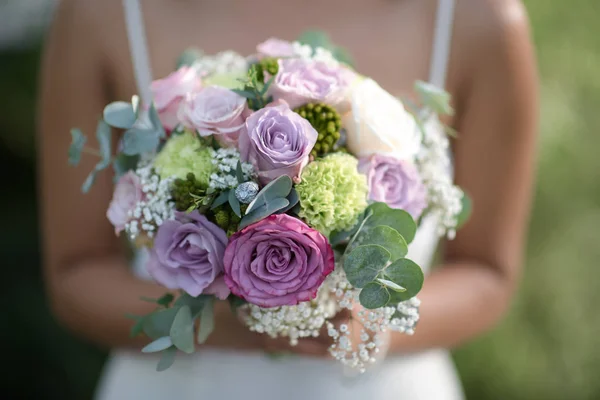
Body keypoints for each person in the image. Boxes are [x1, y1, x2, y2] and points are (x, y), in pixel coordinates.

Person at [37, 0, 538, 399]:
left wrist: (366, 326)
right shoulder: (100, 12)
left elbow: (488, 273)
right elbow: (75, 276)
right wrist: (252, 323)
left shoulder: (479, 17)